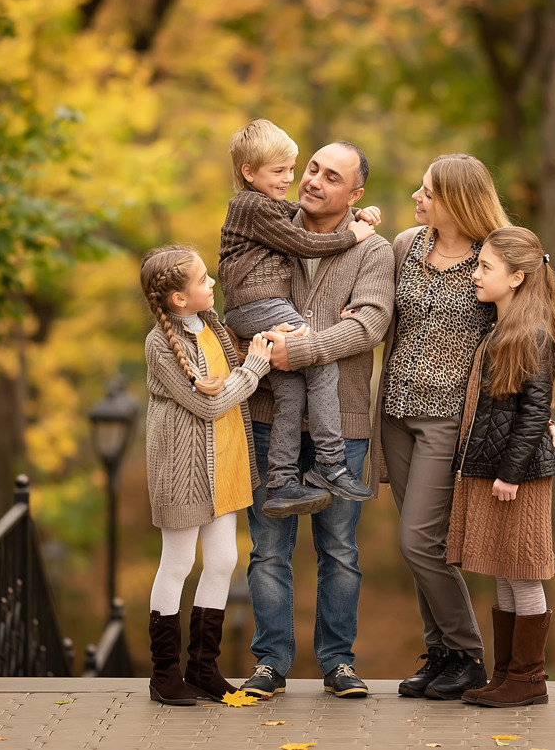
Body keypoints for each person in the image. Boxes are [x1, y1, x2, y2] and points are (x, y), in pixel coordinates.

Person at [235, 141, 395, 700]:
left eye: (332, 177)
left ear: (355, 195)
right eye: (312, 169)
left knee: (340, 550)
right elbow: (236, 301)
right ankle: (270, 663)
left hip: (343, 424)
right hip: (266, 415)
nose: (314, 181)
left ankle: (338, 663)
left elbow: (367, 327)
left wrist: (298, 350)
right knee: (268, 549)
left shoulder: (372, 251)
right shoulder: (268, 221)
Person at [369, 154, 511, 700]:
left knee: (419, 542)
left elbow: (524, 334)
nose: (414, 197)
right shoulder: (406, 246)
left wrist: (536, 411)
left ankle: (469, 654)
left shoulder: (494, 255)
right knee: (417, 542)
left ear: (456, 199)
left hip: (449, 419)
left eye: (426, 192)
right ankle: (441, 655)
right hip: (396, 414)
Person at [219, 119, 379, 518]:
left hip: (254, 310)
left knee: (291, 389)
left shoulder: (264, 206)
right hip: (257, 305)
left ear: (353, 192)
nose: (297, 180)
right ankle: (329, 464)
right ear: (249, 172)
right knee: (320, 365)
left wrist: (354, 216)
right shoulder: (254, 207)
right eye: (296, 170)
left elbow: (370, 325)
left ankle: (283, 482)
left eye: (293, 170)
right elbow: (305, 243)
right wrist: (353, 234)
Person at [139, 245, 273, 705]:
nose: (211, 282)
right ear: (179, 298)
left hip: (228, 460)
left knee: (221, 562)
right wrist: (255, 367)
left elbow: (224, 394)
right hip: (184, 469)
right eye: (201, 280)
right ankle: (164, 674)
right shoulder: (160, 344)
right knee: (177, 563)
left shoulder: (212, 325)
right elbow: (210, 402)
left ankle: (202, 667)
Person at [449, 225, 555, 708]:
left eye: (484, 268)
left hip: (518, 475)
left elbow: (535, 411)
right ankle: (506, 674)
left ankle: (529, 678)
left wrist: (511, 474)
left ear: (517, 278)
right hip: (497, 469)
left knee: (523, 571)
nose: (475, 275)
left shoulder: (532, 331)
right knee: (503, 569)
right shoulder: (502, 325)